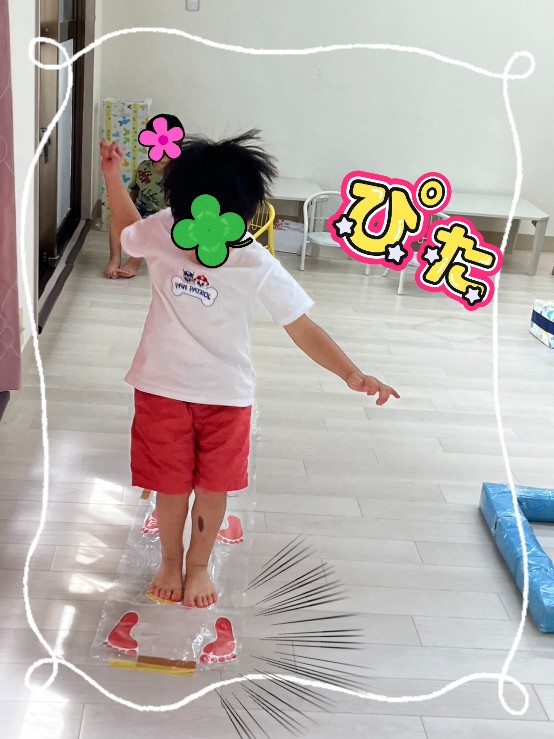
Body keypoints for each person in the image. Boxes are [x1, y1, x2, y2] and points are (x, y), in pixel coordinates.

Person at [99, 130, 400, 608]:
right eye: (191, 217)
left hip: (226, 398)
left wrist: (351, 372)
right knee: (171, 487)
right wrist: (113, 179)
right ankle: (170, 561)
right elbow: (127, 231)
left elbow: (301, 326)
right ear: (178, 208)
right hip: (160, 388)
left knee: (212, 488)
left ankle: (198, 565)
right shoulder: (162, 227)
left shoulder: (256, 262)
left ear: (243, 216)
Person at [103, 114, 184, 279]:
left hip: (162, 216)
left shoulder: (179, 172)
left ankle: (134, 262)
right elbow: (134, 190)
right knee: (115, 220)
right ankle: (114, 258)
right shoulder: (144, 167)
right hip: (140, 209)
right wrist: (123, 210)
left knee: (151, 229)